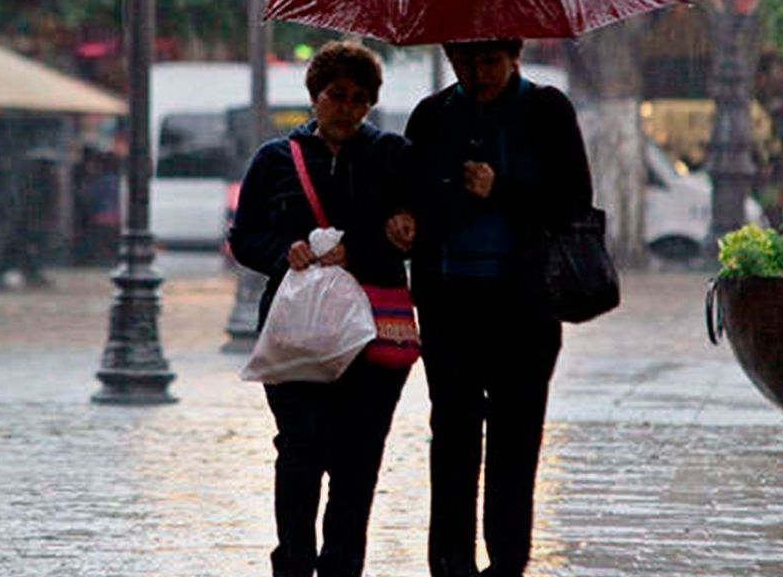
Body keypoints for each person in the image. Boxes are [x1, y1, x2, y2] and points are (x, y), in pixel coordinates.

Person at [387, 38, 593, 577]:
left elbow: (573, 202)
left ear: (513, 56)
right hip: (449, 301)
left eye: (488, 62)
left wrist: (501, 188)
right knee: (452, 436)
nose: (475, 74)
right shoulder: (433, 116)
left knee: (515, 439)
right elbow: (408, 189)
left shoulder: (546, 110)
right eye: (463, 62)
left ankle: (506, 563)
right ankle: (450, 562)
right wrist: (405, 215)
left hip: (523, 307)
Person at [229, 40, 415, 577]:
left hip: (371, 333)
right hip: (294, 332)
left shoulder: (391, 156)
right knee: (300, 448)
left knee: (359, 456)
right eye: (337, 95)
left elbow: (411, 233)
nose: (347, 108)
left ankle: (342, 564)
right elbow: (245, 237)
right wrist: (283, 253)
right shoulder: (274, 160)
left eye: (360, 99)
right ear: (316, 96)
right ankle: (293, 561)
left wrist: (362, 248)